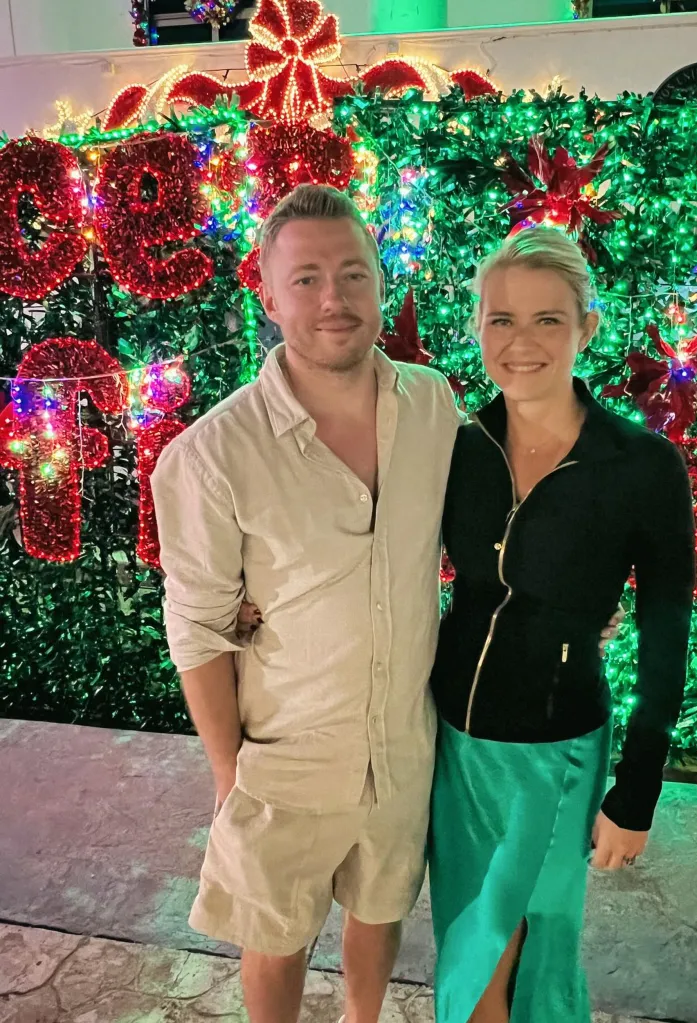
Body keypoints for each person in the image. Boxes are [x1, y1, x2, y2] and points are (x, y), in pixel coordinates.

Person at [152, 185, 623, 1023]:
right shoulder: (211, 455)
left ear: (379, 280)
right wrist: (230, 772)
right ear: (269, 296)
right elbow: (196, 630)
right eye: (305, 279)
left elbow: (498, 510)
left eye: (352, 274)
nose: (332, 299)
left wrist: (572, 590)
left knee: (380, 912)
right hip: (286, 755)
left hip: (405, 741)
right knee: (276, 938)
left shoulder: (432, 403)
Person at [427, 226, 696, 1023]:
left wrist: (637, 791)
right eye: (502, 319)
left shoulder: (643, 466)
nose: (522, 342)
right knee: (470, 948)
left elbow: (667, 642)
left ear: (587, 327)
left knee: (531, 952)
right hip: (452, 745)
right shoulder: (454, 447)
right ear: (478, 328)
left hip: (558, 750)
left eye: (548, 319)